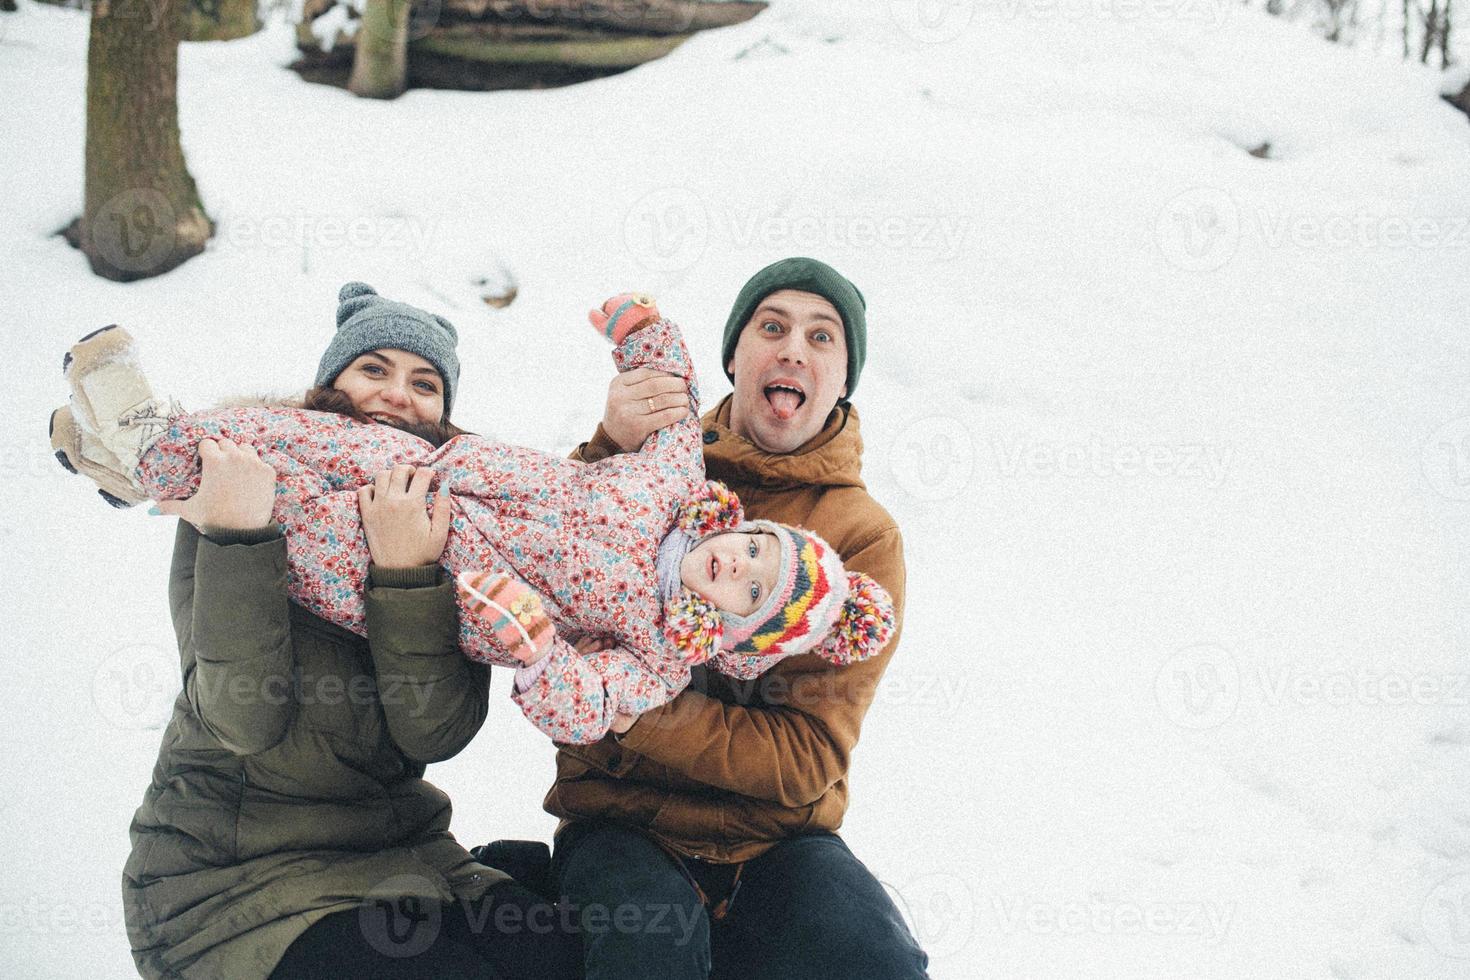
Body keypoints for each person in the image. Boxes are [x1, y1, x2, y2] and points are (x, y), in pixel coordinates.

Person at [53, 286, 895, 746]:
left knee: (299, 512)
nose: (736, 566)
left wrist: (536, 649)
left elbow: (586, 709)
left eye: (751, 590)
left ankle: (144, 459)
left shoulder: (659, 652)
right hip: (439, 471)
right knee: (289, 434)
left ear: (739, 632)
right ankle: (149, 441)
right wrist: (645, 333)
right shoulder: (678, 485)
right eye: (753, 549)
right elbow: (676, 412)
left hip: (440, 582)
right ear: (740, 524)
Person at [56, 298, 582, 977]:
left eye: (425, 384)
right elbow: (241, 717)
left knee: (572, 959)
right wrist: (242, 537)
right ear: (328, 387)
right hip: (236, 883)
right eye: (374, 368)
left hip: (405, 857)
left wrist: (407, 576)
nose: (398, 393)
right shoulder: (241, 489)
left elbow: (435, 735)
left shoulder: (458, 531)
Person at [546, 257, 931, 978]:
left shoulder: (859, 537)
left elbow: (805, 757)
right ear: (733, 355)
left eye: (822, 338)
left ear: (843, 380)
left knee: (875, 962)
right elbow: (554, 586)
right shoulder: (658, 461)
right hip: (622, 817)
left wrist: (632, 710)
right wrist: (608, 446)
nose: (792, 349)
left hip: (777, 843)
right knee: (648, 951)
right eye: (772, 326)